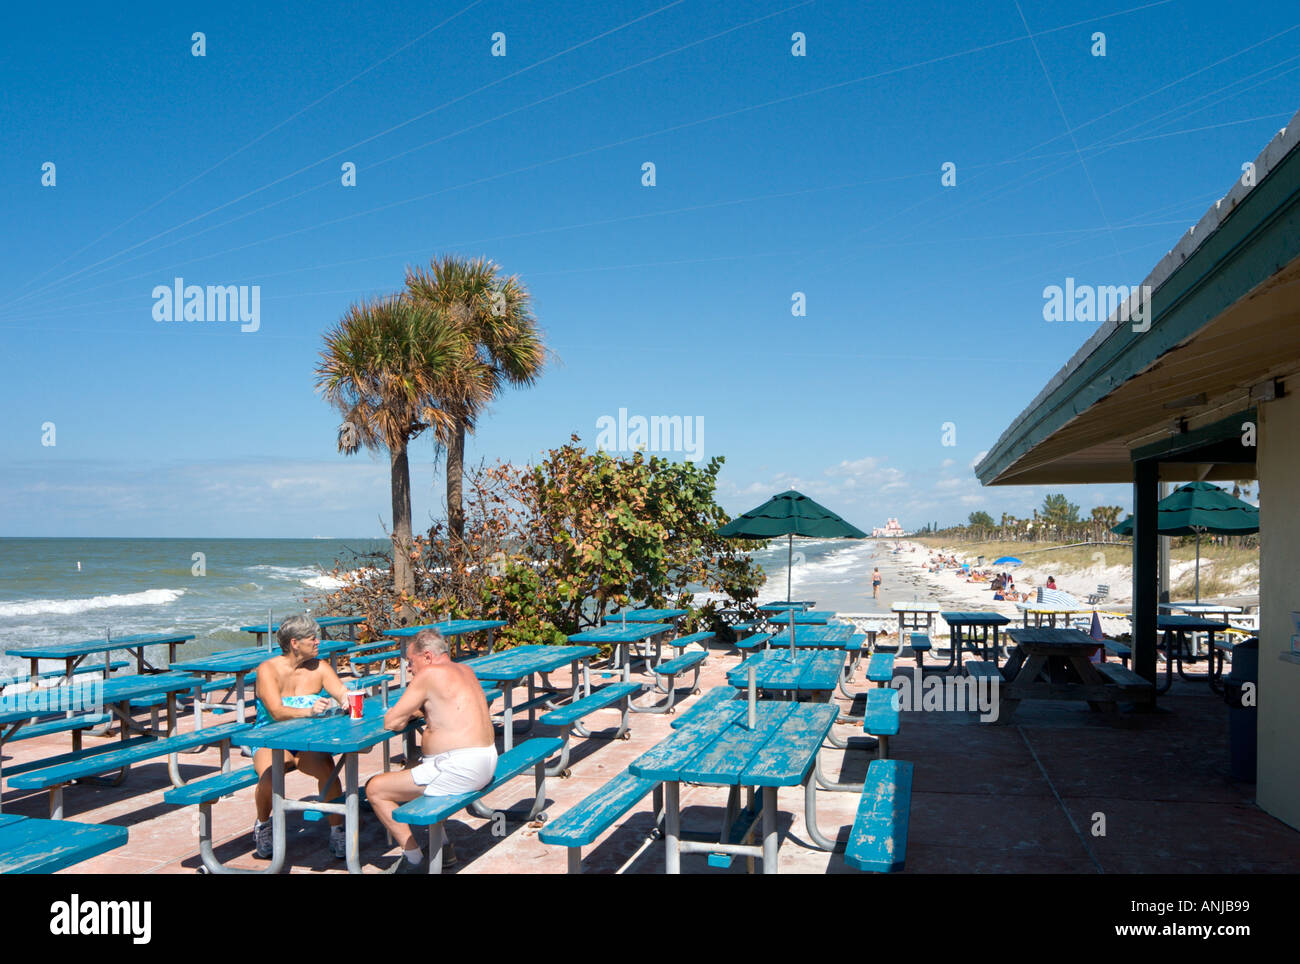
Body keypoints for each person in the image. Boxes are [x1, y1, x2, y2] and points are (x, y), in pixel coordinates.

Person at [365, 629, 497, 873]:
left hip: (460, 766)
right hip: (486, 760)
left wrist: (408, 710)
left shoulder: (429, 674)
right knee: (414, 769)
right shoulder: (465, 670)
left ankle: (413, 859)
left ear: (426, 656)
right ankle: (444, 847)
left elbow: (392, 722)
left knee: (375, 788)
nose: (410, 669)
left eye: (411, 662)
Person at [251, 613, 350, 860]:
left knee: (328, 770)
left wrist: (347, 698)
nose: (318, 642)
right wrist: (309, 710)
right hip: (270, 738)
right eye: (312, 638)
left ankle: (337, 830)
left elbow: (341, 691)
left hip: (308, 741)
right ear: (294, 643)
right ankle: (263, 825)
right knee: (271, 774)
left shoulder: (320, 667)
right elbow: (275, 710)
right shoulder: (268, 670)